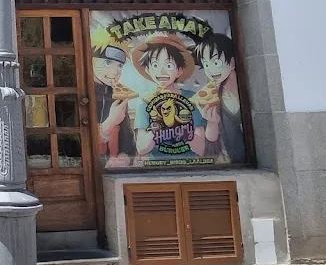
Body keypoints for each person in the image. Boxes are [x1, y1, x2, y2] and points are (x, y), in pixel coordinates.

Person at [131, 33, 220, 162]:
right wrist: (160, 125)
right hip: (156, 168)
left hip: (189, 165)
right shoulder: (145, 102)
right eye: (155, 65)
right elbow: (142, 148)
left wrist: (181, 127)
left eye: (168, 66)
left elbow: (201, 149)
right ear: (148, 70)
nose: (161, 72)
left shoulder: (192, 99)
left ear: (179, 70)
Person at [192, 32, 246, 164]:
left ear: (232, 62)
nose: (210, 70)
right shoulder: (210, 97)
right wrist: (212, 123)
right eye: (206, 64)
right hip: (232, 162)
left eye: (216, 62)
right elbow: (211, 140)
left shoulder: (247, 90)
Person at [90, 28, 137, 167]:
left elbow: (127, 139)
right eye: (108, 63)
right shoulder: (79, 92)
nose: (116, 71)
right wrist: (110, 122)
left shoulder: (119, 95)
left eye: (120, 66)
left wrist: (125, 158)